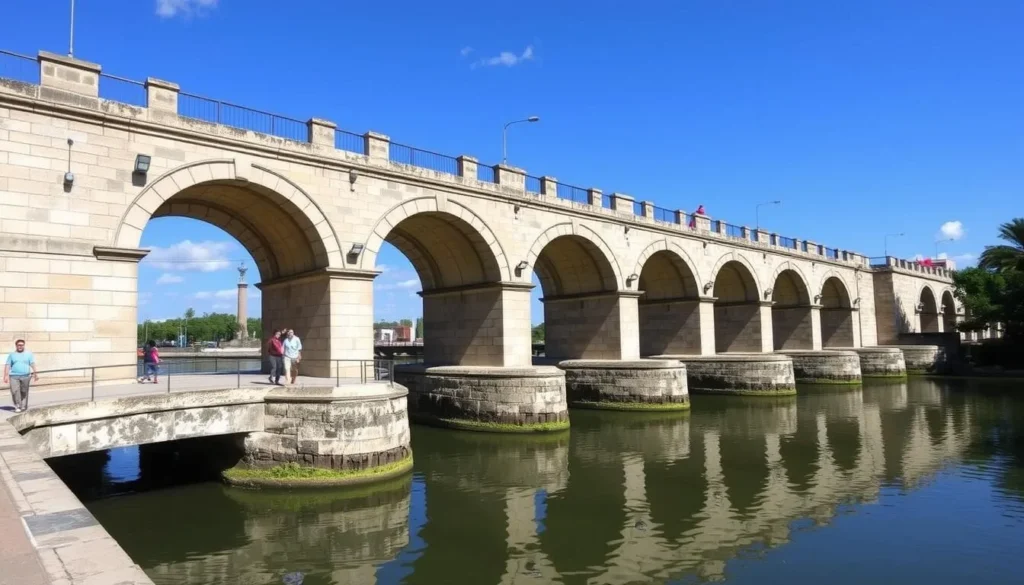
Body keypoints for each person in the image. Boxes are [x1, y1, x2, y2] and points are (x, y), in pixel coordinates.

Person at [4, 339, 38, 413]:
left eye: (22, 345)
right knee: (14, 391)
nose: (20, 346)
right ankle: (18, 406)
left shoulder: (29, 354)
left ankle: (23, 406)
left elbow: (32, 363)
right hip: (13, 376)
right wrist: (6, 375)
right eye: (19, 345)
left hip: (25, 376)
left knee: (24, 391)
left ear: (24, 345)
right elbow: (8, 365)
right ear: (16, 346)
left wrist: (35, 373)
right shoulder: (12, 355)